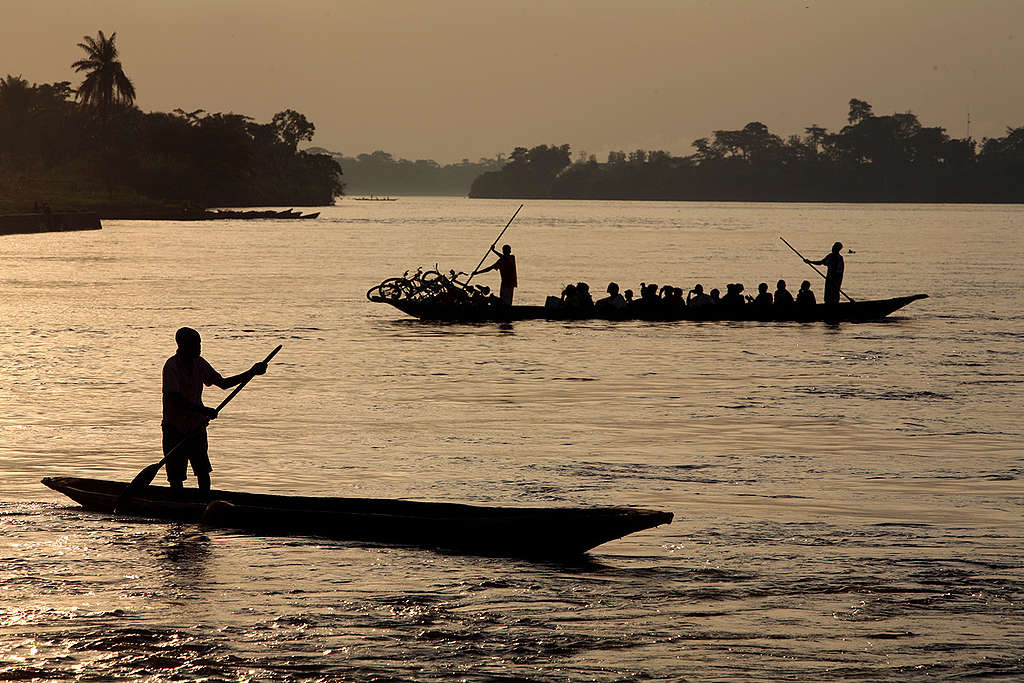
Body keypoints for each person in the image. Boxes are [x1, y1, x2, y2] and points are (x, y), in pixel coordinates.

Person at [162, 327, 268, 493]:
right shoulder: (171, 366)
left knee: (203, 471)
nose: (199, 347)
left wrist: (251, 372)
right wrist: (203, 410)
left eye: (199, 343)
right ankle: (179, 505)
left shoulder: (199, 363)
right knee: (176, 476)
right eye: (195, 344)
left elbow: (223, 383)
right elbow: (174, 399)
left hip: (196, 427)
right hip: (174, 428)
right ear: (182, 345)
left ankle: (205, 501)